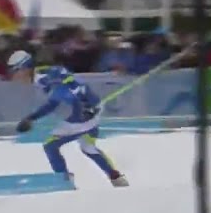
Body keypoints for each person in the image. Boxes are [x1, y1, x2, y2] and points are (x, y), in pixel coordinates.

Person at [7, 50, 129, 188]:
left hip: (84, 113)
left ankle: (64, 181)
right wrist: (31, 118)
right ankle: (116, 177)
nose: (13, 77)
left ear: (24, 68)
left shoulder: (42, 77)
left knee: (50, 146)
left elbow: (59, 97)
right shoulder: (45, 73)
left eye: (14, 72)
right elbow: (61, 94)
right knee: (88, 147)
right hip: (91, 108)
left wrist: (31, 118)